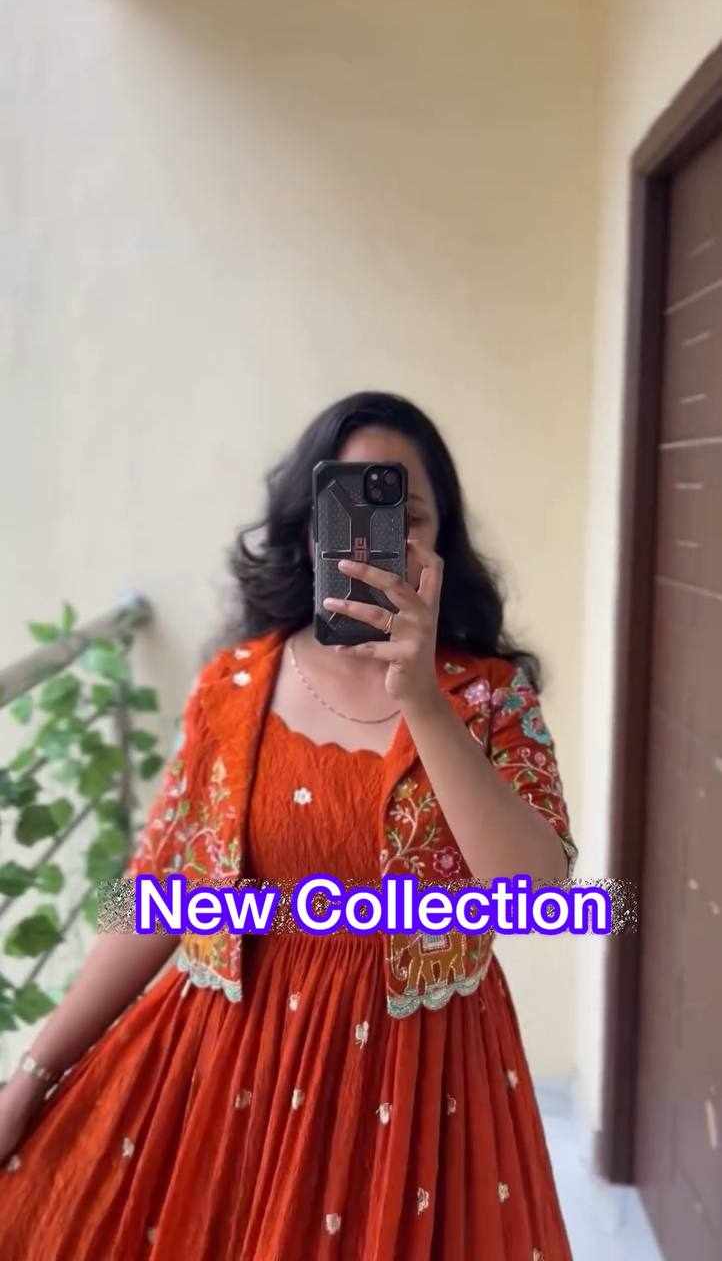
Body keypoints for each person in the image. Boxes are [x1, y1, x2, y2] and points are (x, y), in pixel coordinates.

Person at [0, 391, 578, 1260]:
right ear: (309, 532)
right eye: (348, 509)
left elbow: (535, 895)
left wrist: (422, 700)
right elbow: (161, 895)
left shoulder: (490, 696)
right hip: (231, 1078)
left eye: (408, 515)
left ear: (440, 541)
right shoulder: (233, 686)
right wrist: (30, 1079)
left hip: (422, 1095)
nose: (377, 539)